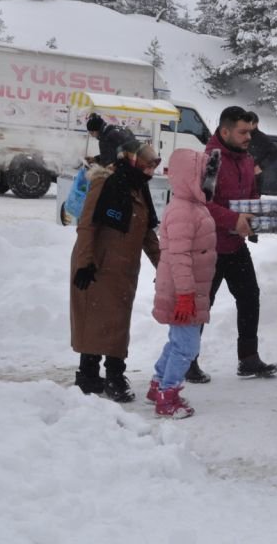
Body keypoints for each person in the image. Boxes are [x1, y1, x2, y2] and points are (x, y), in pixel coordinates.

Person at [188, 106, 277, 383]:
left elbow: (251, 195)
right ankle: (187, 360)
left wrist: (259, 218)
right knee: (202, 304)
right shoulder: (211, 161)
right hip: (209, 245)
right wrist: (234, 219)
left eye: (250, 131)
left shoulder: (246, 159)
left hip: (235, 244)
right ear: (225, 131)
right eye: (243, 132)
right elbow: (202, 204)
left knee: (250, 296)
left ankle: (249, 359)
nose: (249, 137)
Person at [70, 139, 161, 402]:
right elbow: (87, 224)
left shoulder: (138, 187)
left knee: (117, 323)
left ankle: (110, 374)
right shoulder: (105, 183)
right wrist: (85, 263)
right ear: (130, 161)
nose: (151, 170)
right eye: (147, 164)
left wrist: (163, 265)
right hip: (97, 266)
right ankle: (97, 375)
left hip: (124, 268)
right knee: (95, 321)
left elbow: (147, 233)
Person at [146, 148, 220, 419]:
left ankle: (158, 385)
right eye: (203, 176)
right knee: (187, 347)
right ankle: (168, 397)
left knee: (177, 341)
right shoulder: (183, 211)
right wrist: (186, 295)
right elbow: (179, 257)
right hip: (182, 292)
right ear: (189, 177)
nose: (208, 182)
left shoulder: (192, 206)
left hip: (188, 289)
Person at [244, 111, 277, 178]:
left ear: (255, 124)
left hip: (254, 178)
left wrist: (261, 166)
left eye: (249, 123)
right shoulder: (240, 135)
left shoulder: (262, 138)